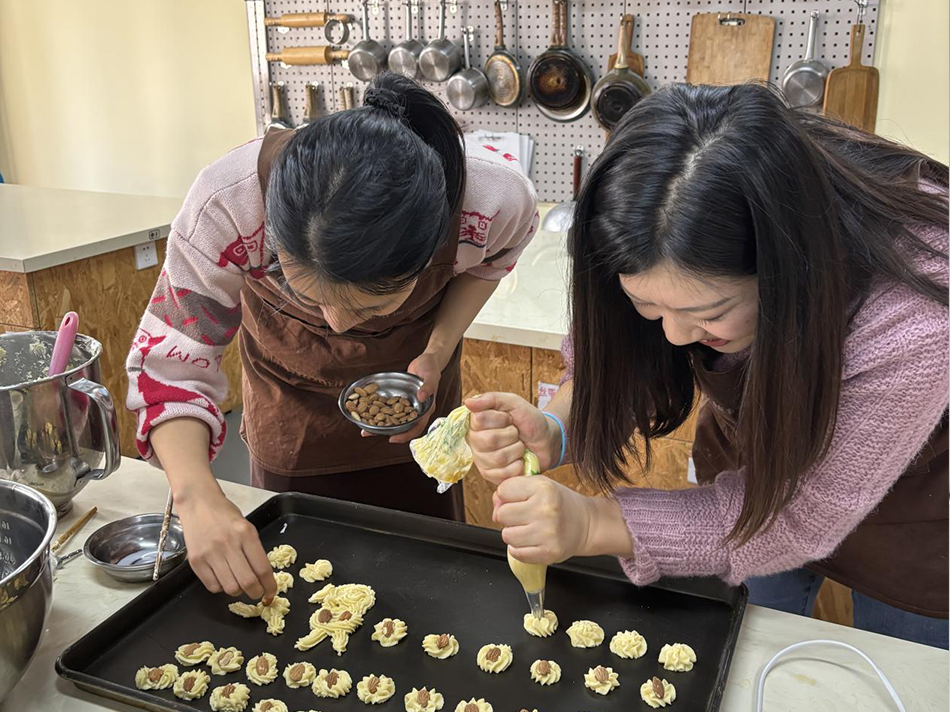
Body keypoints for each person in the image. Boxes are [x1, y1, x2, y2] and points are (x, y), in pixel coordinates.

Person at [465, 83, 948, 648]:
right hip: (757, 470)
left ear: (787, 270)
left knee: (899, 670)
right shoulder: (673, 222)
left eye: (710, 315)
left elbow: (798, 521)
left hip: (915, 512)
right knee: (751, 645)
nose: (674, 336)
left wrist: (594, 523)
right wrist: (559, 425)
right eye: (647, 307)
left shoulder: (917, 310)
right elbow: (626, 356)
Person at [126, 73, 537, 602]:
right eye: (305, 294)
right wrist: (195, 497)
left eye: (369, 306)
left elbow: (489, 266)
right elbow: (171, 370)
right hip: (289, 409)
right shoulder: (227, 206)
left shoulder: (493, 200)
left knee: (431, 582)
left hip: (415, 411)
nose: (340, 326)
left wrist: (436, 351)